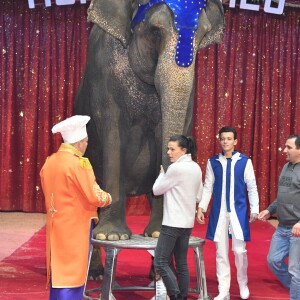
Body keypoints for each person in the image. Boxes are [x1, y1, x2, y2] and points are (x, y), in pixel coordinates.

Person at [40, 115, 112, 300]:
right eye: (86, 141)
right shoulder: (79, 163)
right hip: (76, 226)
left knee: (59, 271)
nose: (87, 145)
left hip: (55, 224)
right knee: (73, 273)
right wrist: (109, 198)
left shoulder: (50, 161)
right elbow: (93, 195)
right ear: (79, 143)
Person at [196, 126, 259, 300]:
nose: (225, 141)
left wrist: (254, 209)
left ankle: (243, 283)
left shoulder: (245, 161)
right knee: (221, 253)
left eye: (229, 138)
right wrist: (201, 207)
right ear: (220, 140)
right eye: (223, 138)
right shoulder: (213, 162)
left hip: (238, 212)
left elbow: (252, 186)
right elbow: (208, 187)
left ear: (235, 141)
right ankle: (224, 290)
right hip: (219, 213)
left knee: (240, 251)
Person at [152, 134, 203, 300]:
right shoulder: (196, 167)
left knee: (160, 261)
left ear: (183, 150)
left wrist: (162, 174)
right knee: (181, 263)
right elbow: (198, 196)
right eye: (168, 148)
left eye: (172, 149)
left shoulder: (175, 169)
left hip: (172, 224)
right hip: (187, 224)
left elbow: (156, 190)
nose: (169, 152)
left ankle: (174, 295)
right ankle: (182, 296)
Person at [258, 134, 300, 300]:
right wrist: (269, 210)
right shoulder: (286, 167)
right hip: (282, 227)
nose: (284, 150)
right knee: (273, 261)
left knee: (295, 270)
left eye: (289, 147)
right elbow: (282, 195)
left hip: (297, 230)